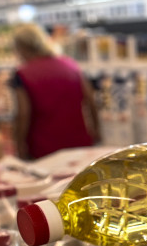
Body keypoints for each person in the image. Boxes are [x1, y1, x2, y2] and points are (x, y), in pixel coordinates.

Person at [11, 23, 101, 159]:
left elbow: (23, 114)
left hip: (45, 147)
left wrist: (19, 146)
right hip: (79, 142)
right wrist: (96, 130)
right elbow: (90, 100)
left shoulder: (23, 74)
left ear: (22, 48)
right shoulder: (70, 65)